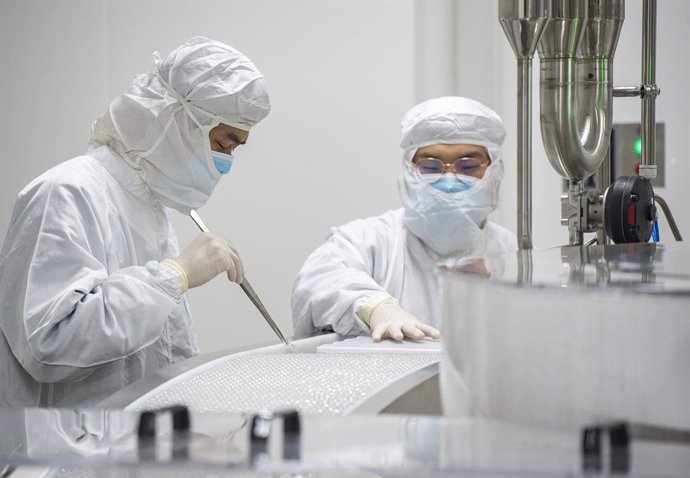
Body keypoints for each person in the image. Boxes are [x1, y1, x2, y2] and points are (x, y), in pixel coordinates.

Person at [0, 36, 271, 407]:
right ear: (178, 119)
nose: (226, 162)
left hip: (124, 455)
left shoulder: (149, 209)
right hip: (63, 458)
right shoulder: (66, 192)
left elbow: (156, 356)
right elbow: (49, 343)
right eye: (224, 144)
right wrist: (173, 277)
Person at [291, 96, 516, 342]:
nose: (449, 179)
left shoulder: (512, 252)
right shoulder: (366, 240)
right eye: (431, 167)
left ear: (495, 171)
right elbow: (321, 279)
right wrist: (376, 308)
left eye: (469, 165)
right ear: (408, 171)